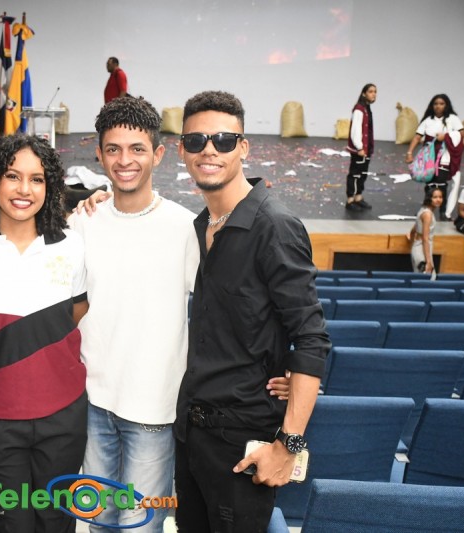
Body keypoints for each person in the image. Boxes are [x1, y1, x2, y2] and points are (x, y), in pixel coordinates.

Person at [69, 97, 291, 532]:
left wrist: (280, 367)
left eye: (137, 149)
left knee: (139, 526)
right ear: (99, 155)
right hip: (92, 404)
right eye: (113, 149)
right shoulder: (82, 223)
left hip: (155, 410)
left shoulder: (186, 229)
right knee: (98, 524)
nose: (125, 160)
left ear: (158, 154)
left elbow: (234, 311)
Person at [173, 91, 331, 533]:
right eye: (197, 140)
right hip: (192, 437)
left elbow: (312, 338)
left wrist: (288, 445)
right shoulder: (201, 226)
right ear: (182, 150)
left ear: (243, 147)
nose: (209, 150)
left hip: (243, 445)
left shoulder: (274, 226)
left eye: (223, 140)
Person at [0, 134, 88, 533]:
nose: (25, 189)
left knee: (55, 520)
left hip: (64, 416)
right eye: (12, 176)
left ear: (50, 187)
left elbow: (77, 311)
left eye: (37, 179)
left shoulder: (72, 247)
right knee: (10, 523)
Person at [405, 94, 464, 220]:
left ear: (446, 105)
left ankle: (443, 212)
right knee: (430, 184)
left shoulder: (453, 119)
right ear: (432, 106)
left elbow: (462, 133)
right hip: (429, 157)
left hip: (445, 156)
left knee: (441, 184)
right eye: (436, 104)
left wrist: (446, 136)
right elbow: (417, 137)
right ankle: (426, 209)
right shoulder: (427, 120)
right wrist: (409, 153)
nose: (438, 106)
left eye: (441, 104)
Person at [345, 83, 377, 211]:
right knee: (355, 174)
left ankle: (358, 197)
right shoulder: (359, 109)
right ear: (364, 93)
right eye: (370, 91)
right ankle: (350, 199)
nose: (373, 94)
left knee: (362, 173)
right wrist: (359, 147)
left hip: (366, 148)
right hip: (360, 149)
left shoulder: (366, 108)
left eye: (375, 92)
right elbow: (356, 129)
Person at [408, 188, 444, 274]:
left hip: (418, 248)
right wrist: (428, 262)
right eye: (435, 197)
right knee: (427, 278)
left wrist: (412, 243)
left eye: (440, 197)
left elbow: (414, 229)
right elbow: (425, 238)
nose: (438, 200)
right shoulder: (428, 214)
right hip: (422, 251)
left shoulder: (423, 210)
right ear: (429, 198)